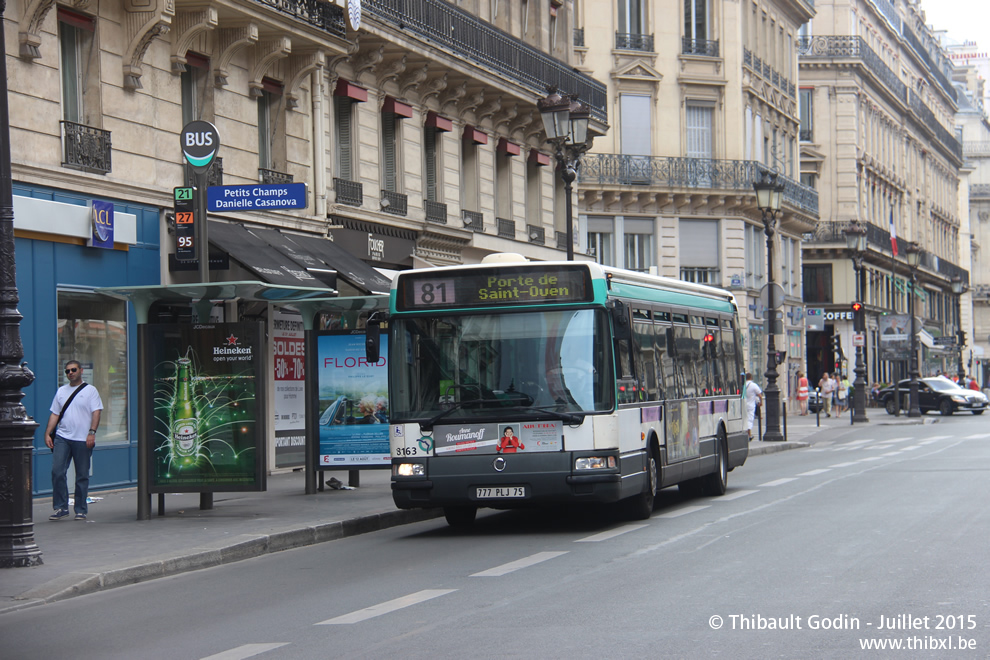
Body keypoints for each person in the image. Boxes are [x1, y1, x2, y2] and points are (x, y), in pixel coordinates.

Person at [44, 360, 103, 521]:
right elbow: (55, 414)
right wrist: (48, 433)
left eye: (73, 370)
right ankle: (61, 507)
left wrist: (92, 432)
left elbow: (96, 412)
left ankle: (80, 509)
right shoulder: (61, 391)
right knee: (57, 471)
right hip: (63, 437)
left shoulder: (91, 391)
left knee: (82, 475)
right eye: (67, 371)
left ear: (81, 370)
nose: (70, 373)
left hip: (83, 439)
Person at [744, 373, 763, 441]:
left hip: (743, 405)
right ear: (751, 377)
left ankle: (748, 434)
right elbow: (760, 395)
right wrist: (761, 402)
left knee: (745, 419)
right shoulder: (753, 385)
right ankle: (748, 435)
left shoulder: (743, 385)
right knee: (750, 420)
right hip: (751, 405)